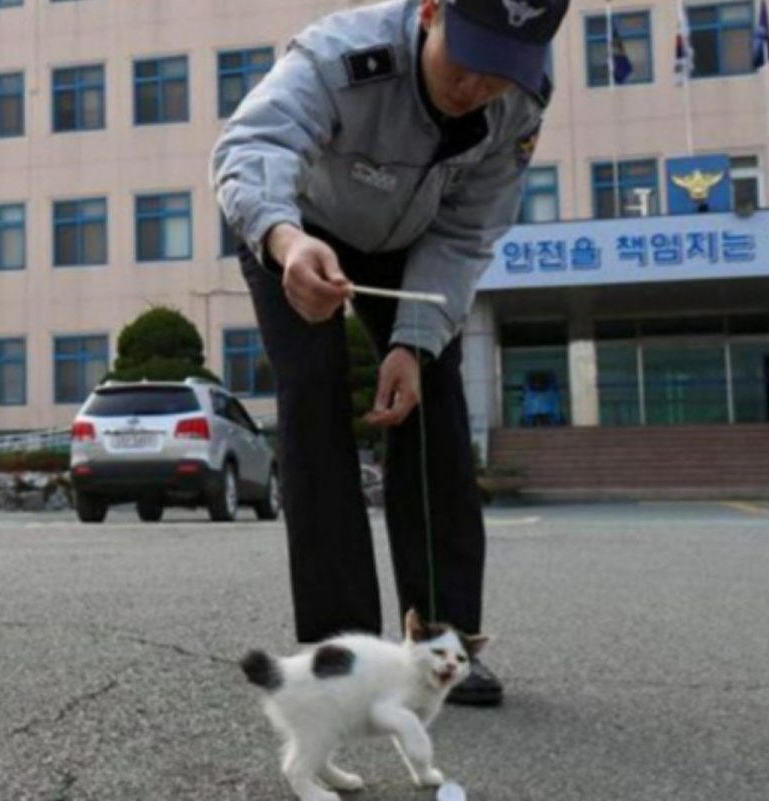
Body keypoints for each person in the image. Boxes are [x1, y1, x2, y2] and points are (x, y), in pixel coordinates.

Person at [211, 0, 569, 706]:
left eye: (499, 76)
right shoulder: (340, 57)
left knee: (432, 402)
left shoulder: (519, 98)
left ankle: (443, 639)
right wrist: (285, 240)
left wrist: (412, 342)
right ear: (432, 12)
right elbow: (250, 149)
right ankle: (337, 649)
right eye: (464, 65)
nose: (475, 90)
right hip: (295, 223)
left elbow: (468, 231)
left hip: (415, 244)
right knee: (313, 393)